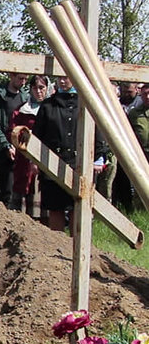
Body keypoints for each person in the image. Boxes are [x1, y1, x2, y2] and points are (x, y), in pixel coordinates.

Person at [34, 76, 107, 232]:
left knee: (78, 206)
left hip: (80, 163)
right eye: (59, 77)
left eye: (66, 77)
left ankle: (75, 247)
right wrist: (35, 160)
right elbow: (37, 136)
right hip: (52, 163)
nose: (62, 81)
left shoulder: (87, 104)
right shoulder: (48, 105)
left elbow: (98, 133)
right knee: (55, 206)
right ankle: (57, 246)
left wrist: (99, 158)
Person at [7, 75, 49, 216]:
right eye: (35, 88)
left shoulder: (52, 109)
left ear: (47, 88)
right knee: (25, 185)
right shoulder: (22, 111)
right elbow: (13, 131)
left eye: (41, 88)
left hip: (47, 157)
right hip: (25, 158)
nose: (38, 91)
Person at [0, 73, 29, 205]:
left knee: (13, 192)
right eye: (20, 78)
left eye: (26, 79)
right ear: (11, 76)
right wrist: (6, 145)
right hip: (0, 150)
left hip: (19, 151)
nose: (23, 82)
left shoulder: (25, 97)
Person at [112, 82, 144, 212]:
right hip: (119, 148)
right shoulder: (117, 102)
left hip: (135, 150)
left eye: (129, 91)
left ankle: (135, 210)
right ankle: (123, 207)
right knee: (120, 180)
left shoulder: (138, 107)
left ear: (136, 89)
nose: (126, 93)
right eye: (124, 90)